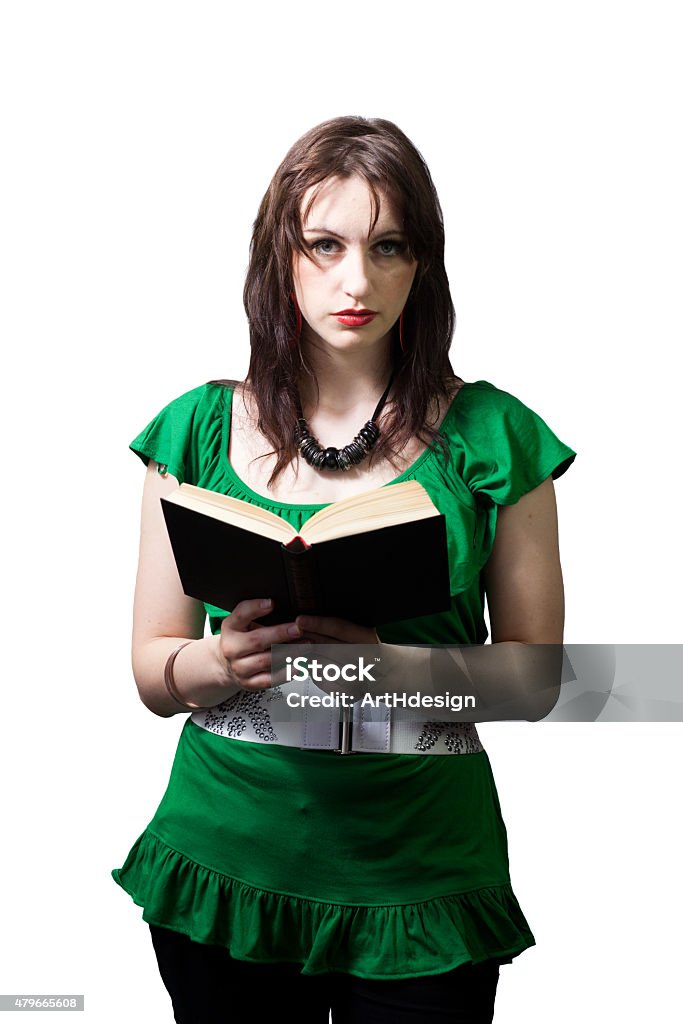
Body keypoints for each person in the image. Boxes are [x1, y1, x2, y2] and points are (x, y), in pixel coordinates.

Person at [112, 116, 576, 1023]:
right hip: (222, 862)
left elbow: (534, 680)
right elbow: (151, 669)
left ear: (422, 264)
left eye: (388, 246)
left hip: (419, 876)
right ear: (277, 258)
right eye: (322, 245)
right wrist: (216, 663)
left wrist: (381, 670)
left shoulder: (494, 436)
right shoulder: (194, 429)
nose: (355, 280)